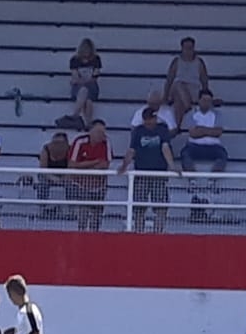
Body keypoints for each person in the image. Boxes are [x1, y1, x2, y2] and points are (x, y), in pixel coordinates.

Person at [119, 105, 178, 233]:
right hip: (141, 174)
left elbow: (165, 147)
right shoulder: (138, 131)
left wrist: (172, 166)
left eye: (150, 119)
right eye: (146, 120)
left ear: (155, 118)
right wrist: (124, 166)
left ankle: (159, 232)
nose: (148, 122)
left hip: (159, 174)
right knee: (139, 206)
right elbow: (131, 150)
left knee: (161, 206)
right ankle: (139, 231)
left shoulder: (162, 129)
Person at [68, 120, 112, 233]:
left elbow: (105, 164)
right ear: (90, 131)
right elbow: (72, 164)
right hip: (80, 185)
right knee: (83, 213)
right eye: (98, 132)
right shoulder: (79, 142)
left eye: (103, 132)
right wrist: (94, 162)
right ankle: (81, 235)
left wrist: (84, 166)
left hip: (99, 186)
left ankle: (94, 236)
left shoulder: (106, 142)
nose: (101, 135)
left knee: (97, 216)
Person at [180, 89, 229, 173]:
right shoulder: (191, 114)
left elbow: (218, 132)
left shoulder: (217, 114)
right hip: (194, 146)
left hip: (213, 146)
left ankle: (214, 177)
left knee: (223, 155)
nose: (206, 103)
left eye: (209, 101)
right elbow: (193, 133)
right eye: (204, 100)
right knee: (185, 154)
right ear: (199, 100)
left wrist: (200, 129)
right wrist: (210, 131)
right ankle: (192, 176)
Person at [164, 36, 211, 121]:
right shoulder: (176, 61)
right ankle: (188, 106)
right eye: (186, 48)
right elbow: (169, 80)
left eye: (190, 48)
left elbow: (204, 81)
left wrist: (205, 97)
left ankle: (177, 126)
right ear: (182, 48)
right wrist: (165, 96)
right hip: (176, 89)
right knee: (178, 84)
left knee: (178, 101)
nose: (188, 51)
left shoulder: (199, 62)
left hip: (193, 91)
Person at [65, 37, 102, 129]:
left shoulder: (96, 59)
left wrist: (81, 80)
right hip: (78, 88)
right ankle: (86, 122)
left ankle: (77, 116)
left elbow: (95, 77)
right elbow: (75, 77)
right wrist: (80, 81)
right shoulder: (75, 60)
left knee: (88, 100)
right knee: (84, 93)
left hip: (92, 87)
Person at [37, 131, 72, 218]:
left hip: (66, 175)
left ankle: (71, 209)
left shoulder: (70, 150)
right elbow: (43, 168)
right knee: (42, 183)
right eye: (55, 142)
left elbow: (72, 168)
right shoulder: (46, 149)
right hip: (48, 175)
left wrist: (64, 178)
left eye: (60, 143)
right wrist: (53, 178)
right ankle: (42, 208)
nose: (57, 145)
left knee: (72, 184)